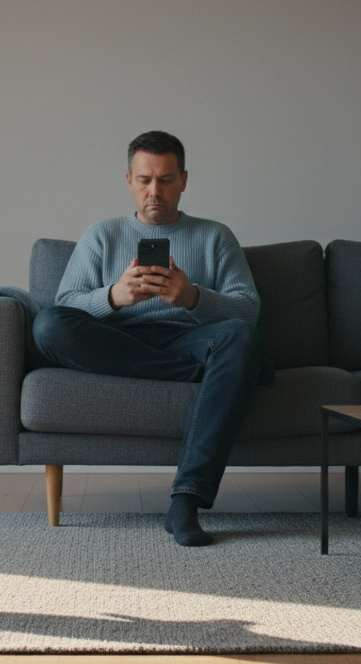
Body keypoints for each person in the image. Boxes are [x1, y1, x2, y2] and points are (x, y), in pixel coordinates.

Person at [32, 130, 270, 546]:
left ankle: (186, 499)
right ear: (129, 181)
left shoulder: (215, 235)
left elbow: (248, 309)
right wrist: (113, 297)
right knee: (48, 325)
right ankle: (225, 373)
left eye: (165, 180)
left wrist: (193, 297)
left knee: (239, 337)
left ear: (183, 181)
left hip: (190, 338)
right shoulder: (101, 234)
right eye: (144, 180)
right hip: (117, 341)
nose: (154, 191)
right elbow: (64, 303)